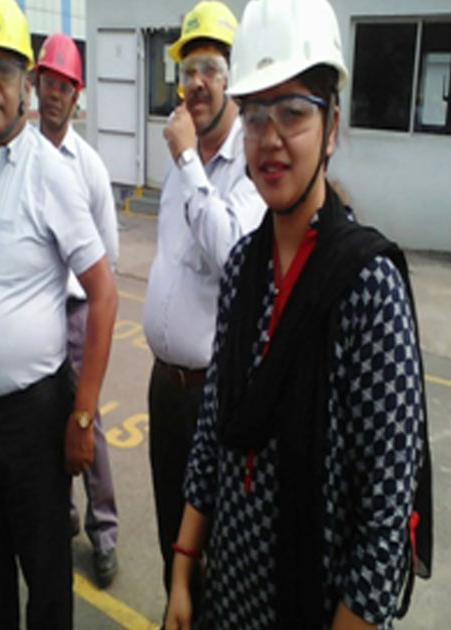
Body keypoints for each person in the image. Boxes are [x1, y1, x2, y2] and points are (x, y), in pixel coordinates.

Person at [164, 1, 432, 629]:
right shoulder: (242, 269)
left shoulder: (369, 288)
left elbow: (385, 520)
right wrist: (182, 569)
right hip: (228, 604)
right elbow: (213, 433)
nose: (270, 138)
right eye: (255, 115)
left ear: (331, 126)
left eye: (293, 112)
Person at [0, 1, 117, 629]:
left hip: (34, 418)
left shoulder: (52, 173)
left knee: (45, 574)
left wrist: (83, 414)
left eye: (6, 70)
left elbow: (104, 292)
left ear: (25, 86)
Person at [142, 0, 266, 619]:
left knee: (213, 555)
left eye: (210, 68)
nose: (195, 83)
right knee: (172, 539)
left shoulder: (248, 166)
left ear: (233, 79)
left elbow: (231, 255)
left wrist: (189, 159)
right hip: (165, 389)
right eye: (187, 69)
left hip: (213, 400)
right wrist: (186, 162)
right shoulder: (181, 165)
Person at [35, 32, 120, 588]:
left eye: (64, 87)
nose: (54, 95)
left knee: (87, 423)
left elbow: (107, 255)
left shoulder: (87, 167)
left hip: (75, 312)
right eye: (48, 83)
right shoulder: (19, 155)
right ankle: (61, 517)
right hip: (32, 312)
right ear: (35, 85)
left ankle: (104, 532)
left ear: (77, 96)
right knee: (43, 419)